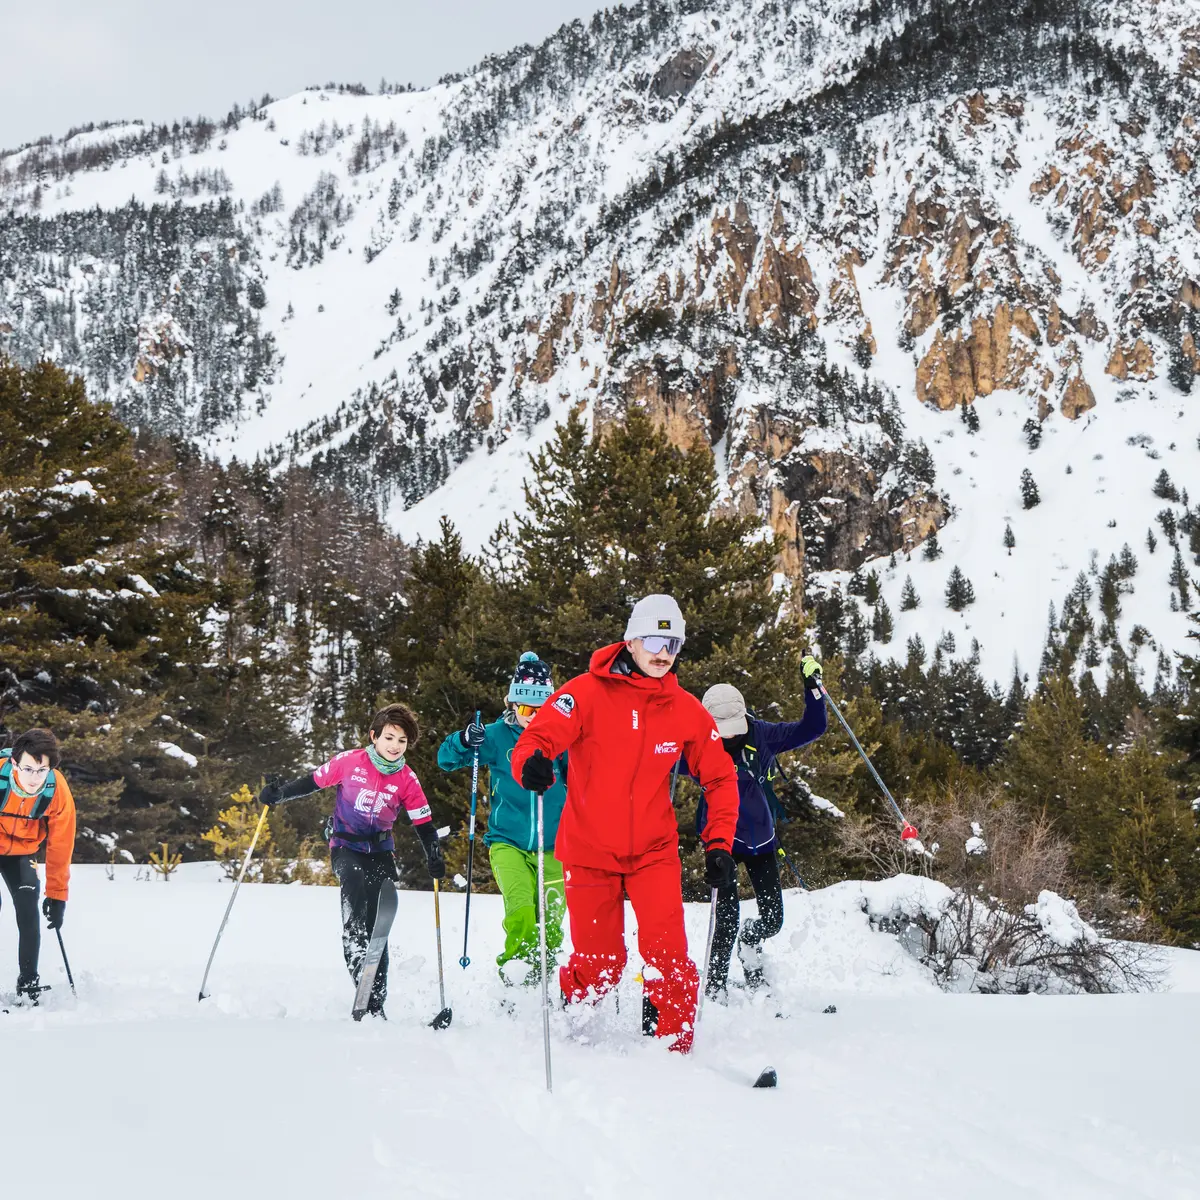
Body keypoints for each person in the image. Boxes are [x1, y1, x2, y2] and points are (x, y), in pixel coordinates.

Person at [511, 594, 740, 1053]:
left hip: (653, 852)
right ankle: (577, 1033)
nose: (664, 651)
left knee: (670, 958)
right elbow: (538, 738)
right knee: (600, 963)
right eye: (655, 639)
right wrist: (531, 763)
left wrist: (719, 843)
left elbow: (720, 776)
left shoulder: (685, 709)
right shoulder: (585, 693)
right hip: (589, 850)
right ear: (631, 640)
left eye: (673, 642)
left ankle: (673, 1050)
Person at [259, 703, 442, 1018]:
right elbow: (311, 782)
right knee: (354, 891)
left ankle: (374, 1004)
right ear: (374, 736)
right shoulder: (349, 762)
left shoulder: (408, 780)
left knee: (378, 929)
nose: (394, 746)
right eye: (389, 737)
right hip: (345, 846)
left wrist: (434, 854)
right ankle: (357, 958)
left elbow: (423, 824)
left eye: (401, 741)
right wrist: (280, 794)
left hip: (381, 852)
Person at [696, 655, 827, 999]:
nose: (730, 737)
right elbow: (658, 756)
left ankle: (750, 941)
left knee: (772, 920)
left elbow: (812, 728)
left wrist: (813, 689)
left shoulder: (764, 735)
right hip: (720, 842)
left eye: (734, 729)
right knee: (724, 920)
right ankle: (714, 990)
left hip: (761, 840)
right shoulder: (697, 744)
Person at [437, 652, 568, 981]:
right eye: (525, 709)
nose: (532, 717)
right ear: (512, 704)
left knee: (551, 921)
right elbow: (446, 758)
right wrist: (465, 739)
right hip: (508, 842)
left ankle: (543, 977)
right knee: (521, 910)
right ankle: (516, 973)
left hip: (556, 846)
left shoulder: (562, 739)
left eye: (540, 709)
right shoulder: (496, 736)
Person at [0, 728, 77, 1004]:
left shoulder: (56, 790)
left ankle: (29, 983)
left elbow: (61, 843)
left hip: (23, 850)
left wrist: (57, 895)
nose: (34, 778)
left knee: (28, 906)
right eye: (28, 768)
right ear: (14, 763)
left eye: (41, 770)